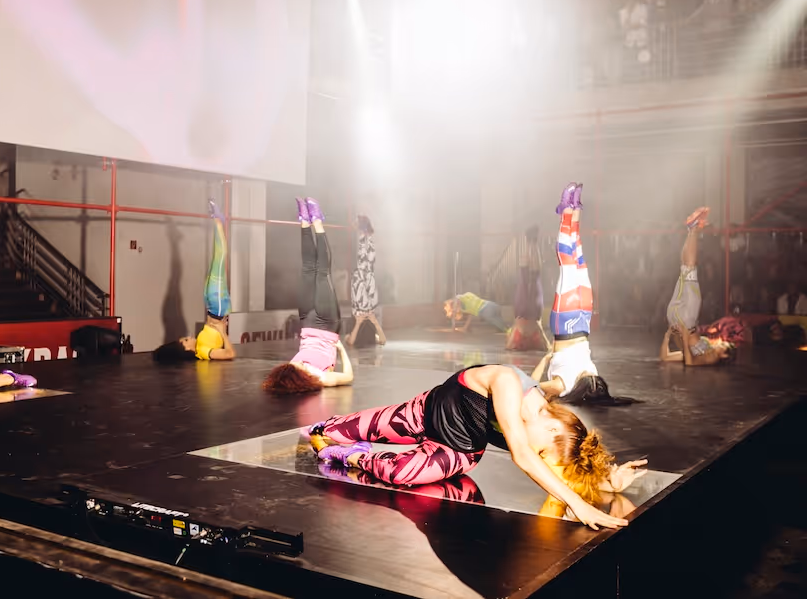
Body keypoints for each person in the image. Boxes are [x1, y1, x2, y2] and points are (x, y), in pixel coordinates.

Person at [308, 362, 646, 530]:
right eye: (544, 451)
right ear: (552, 426)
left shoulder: (542, 424)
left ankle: (354, 456)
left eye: (543, 455)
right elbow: (523, 456)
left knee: (401, 473)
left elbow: (558, 470)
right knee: (332, 429)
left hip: (458, 450)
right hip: (425, 413)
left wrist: (607, 482)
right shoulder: (508, 383)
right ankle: (341, 437)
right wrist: (579, 506)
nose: (539, 457)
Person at [531, 183, 633, 405]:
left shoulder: (592, 376)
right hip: (565, 324)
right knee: (567, 261)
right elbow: (529, 387)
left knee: (577, 259)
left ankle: (575, 209)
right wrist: (546, 360)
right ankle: (567, 209)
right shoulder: (564, 386)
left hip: (584, 319)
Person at [262, 198, 353, 393]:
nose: (299, 364)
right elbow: (348, 377)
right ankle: (317, 221)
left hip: (307, 323)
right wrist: (341, 349)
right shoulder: (320, 378)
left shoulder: (292, 368)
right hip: (327, 325)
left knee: (307, 269)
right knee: (322, 273)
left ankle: (304, 220)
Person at [153, 200, 237, 363]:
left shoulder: (200, 345)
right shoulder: (202, 351)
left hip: (213, 306)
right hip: (217, 306)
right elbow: (230, 354)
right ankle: (217, 220)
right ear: (187, 350)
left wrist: (220, 329)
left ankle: (218, 220)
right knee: (220, 256)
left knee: (218, 258)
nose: (188, 337)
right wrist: (222, 331)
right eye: (186, 340)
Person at [659, 207, 732, 366]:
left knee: (689, 268)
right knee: (685, 268)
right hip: (675, 319)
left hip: (686, 321)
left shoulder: (712, 357)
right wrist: (667, 336)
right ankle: (692, 230)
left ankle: (693, 229)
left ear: (724, 355)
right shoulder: (708, 350)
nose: (723, 341)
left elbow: (690, 363)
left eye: (725, 345)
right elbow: (665, 358)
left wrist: (684, 339)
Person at [507, 225, 550, 351]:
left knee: (531, 276)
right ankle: (531, 242)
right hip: (528, 314)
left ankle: (531, 242)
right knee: (526, 276)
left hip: (528, 314)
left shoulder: (523, 333)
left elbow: (546, 345)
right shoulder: (519, 333)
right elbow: (546, 345)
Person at [347, 215, 387, 346]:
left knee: (364, 265)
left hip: (359, 305)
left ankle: (364, 233)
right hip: (368, 304)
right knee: (368, 265)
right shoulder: (370, 328)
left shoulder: (353, 321)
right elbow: (383, 341)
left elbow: (350, 341)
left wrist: (358, 322)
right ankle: (366, 234)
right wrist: (374, 321)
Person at [444, 292, 509, 334]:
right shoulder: (467, 296)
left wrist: (464, 328)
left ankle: (509, 331)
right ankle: (504, 329)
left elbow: (457, 299)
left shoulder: (465, 304)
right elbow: (469, 317)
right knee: (499, 322)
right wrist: (465, 327)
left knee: (499, 324)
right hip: (493, 305)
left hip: (486, 310)